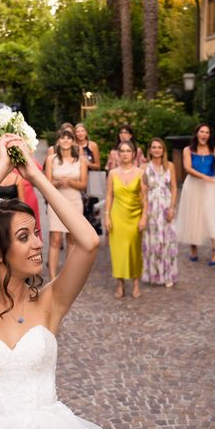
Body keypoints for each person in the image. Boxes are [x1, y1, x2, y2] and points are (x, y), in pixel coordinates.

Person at [0, 134, 112, 429]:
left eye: (36, 233)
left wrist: (34, 174)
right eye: (24, 237)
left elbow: (88, 242)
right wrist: (1, 167)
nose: (38, 243)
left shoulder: (49, 303)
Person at [176, 123, 215, 266]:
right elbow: (187, 168)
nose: (204, 135)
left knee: (212, 216)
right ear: (197, 133)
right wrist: (203, 177)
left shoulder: (214, 150)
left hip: (210, 186)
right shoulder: (188, 150)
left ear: (209, 135)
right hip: (192, 185)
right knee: (193, 215)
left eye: (207, 132)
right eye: (201, 132)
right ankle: (193, 246)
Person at [105, 140, 148, 299]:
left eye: (128, 151)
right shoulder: (112, 173)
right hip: (117, 216)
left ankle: (136, 283)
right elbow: (109, 196)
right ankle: (120, 283)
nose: (124, 154)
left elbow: (145, 198)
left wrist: (144, 217)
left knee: (135, 250)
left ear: (134, 153)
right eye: (122, 151)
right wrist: (107, 216)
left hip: (135, 215)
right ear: (117, 153)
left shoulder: (141, 173)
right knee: (118, 251)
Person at [45, 129, 88, 281]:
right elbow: (47, 183)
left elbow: (83, 184)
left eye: (68, 138)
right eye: (62, 138)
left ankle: (68, 274)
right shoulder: (51, 159)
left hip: (74, 201)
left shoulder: (81, 160)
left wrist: (69, 182)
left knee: (71, 238)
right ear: (58, 141)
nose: (65, 140)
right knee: (55, 239)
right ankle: (52, 276)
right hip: (56, 201)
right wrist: (58, 182)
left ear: (73, 141)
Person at [141, 138, 178, 288]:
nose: (156, 150)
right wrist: (144, 211)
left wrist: (172, 207)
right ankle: (154, 274)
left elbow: (174, 188)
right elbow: (142, 191)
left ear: (163, 150)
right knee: (153, 241)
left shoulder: (170, 166)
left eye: (159, 147)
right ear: (149, 150)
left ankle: (168, 274)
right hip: (151, 207)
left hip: (166, 205)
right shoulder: (144, 167)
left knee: (167, 241)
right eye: (154, 147)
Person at [75, 123, 102, 233]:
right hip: (78, 181)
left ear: (86, 132)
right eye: (78, 131)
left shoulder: (93, 146)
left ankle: (93, 234)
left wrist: (87, 164)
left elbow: (98, 165)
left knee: (92, 208)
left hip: (91, 181)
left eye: (82, 131)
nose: (80, 133)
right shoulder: (73, 146)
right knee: (79, 210)